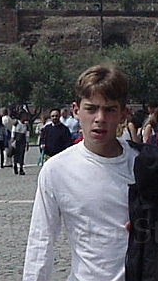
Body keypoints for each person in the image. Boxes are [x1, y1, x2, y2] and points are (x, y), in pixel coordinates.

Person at [23, 65, 139, 280]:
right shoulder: (57, 170)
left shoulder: (145, 165)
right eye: (91, 109)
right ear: (76, 111)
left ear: (123, 114)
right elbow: (41, 238)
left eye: (110, 109)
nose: (100, 118)